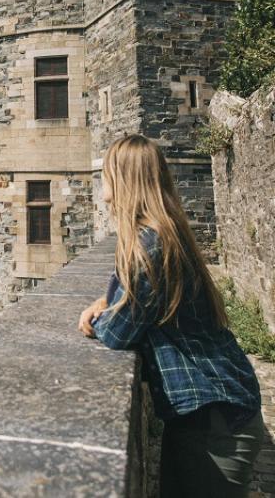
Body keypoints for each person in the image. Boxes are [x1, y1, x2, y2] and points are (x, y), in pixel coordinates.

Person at [78, 134, 265, 498]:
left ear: (123, 179)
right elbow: (136, 298)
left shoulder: (150, 245)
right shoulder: (162, 233)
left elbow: (117, 334)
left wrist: (97, 318)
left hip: (215, 423)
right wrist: (106, 300)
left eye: (107, 174)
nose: (103, 185)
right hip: (211, 415)